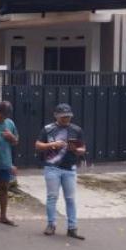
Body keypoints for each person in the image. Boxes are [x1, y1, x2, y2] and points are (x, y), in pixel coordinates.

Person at [35, 103, 86, 240]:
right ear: (56, 116)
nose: (66, 119)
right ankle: (51, 224)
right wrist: (52, 144)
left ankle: (72, 227)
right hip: (52, 167)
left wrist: (75, 150)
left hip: (70, 168)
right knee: (52, 197)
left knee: (70, 199)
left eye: (68, 116)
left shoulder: (77, 130)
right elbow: (38, 145)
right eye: (63, 116)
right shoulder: (48, 129)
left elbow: (83, 149)